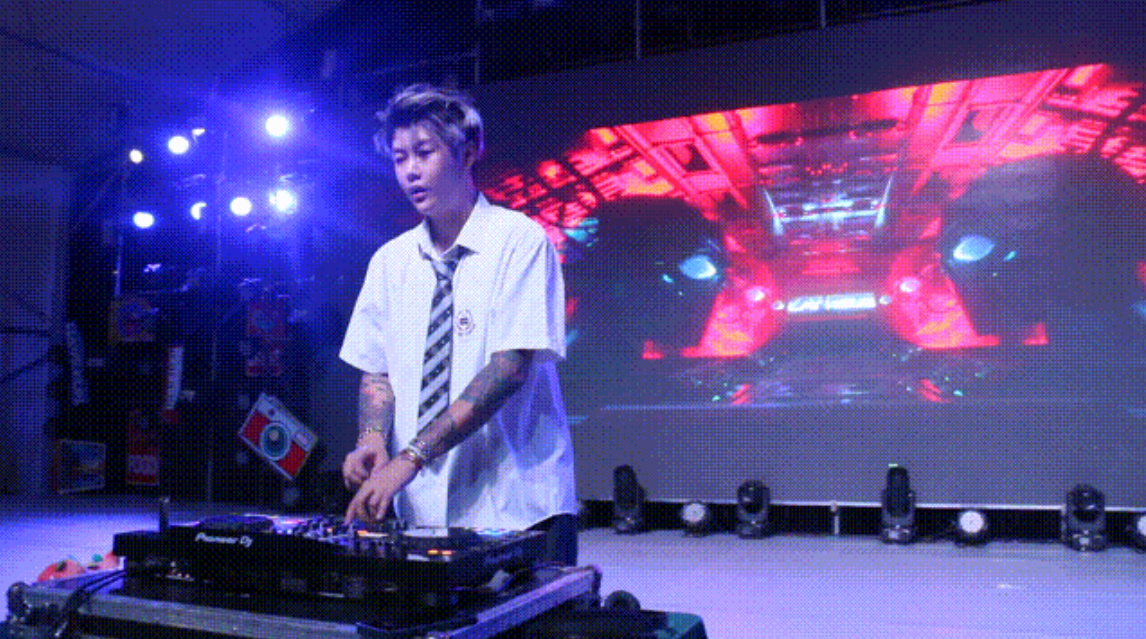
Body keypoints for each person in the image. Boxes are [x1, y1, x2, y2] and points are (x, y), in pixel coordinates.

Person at [338, 84, 578, 565]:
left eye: (424, 152)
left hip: (519, 505)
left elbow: (509, 368)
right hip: (418, 509)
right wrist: (371, 439)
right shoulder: (389, 261)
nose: (410, 170)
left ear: (468, 153)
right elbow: (377, 370)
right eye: (400, 158)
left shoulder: (520, 241)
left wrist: (409, 458)